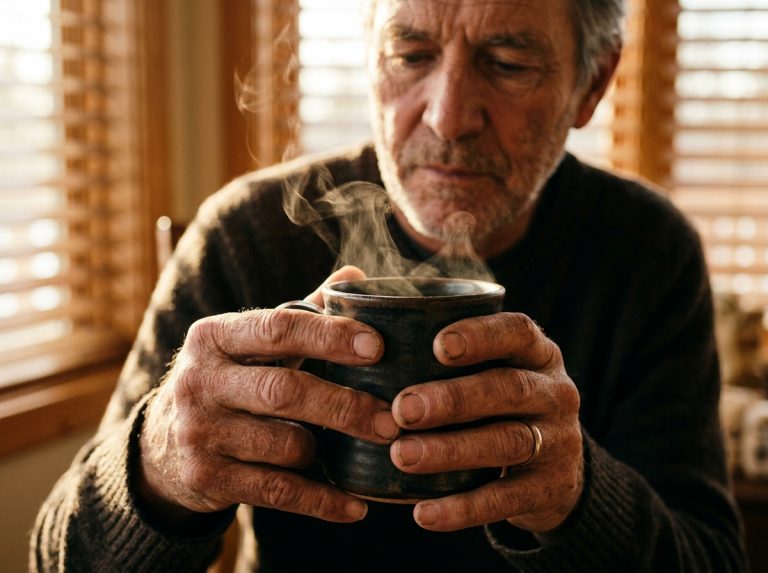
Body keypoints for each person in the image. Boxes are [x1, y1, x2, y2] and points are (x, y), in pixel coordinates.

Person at [32, 0, 748, 571]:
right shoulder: (244, 237)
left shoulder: (647, 253)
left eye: (507, 63)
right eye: (411, 55)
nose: (448, 116)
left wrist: (578, 496)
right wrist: (158, 465)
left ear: (592, 83)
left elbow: (712, 557)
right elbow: (57, 558)